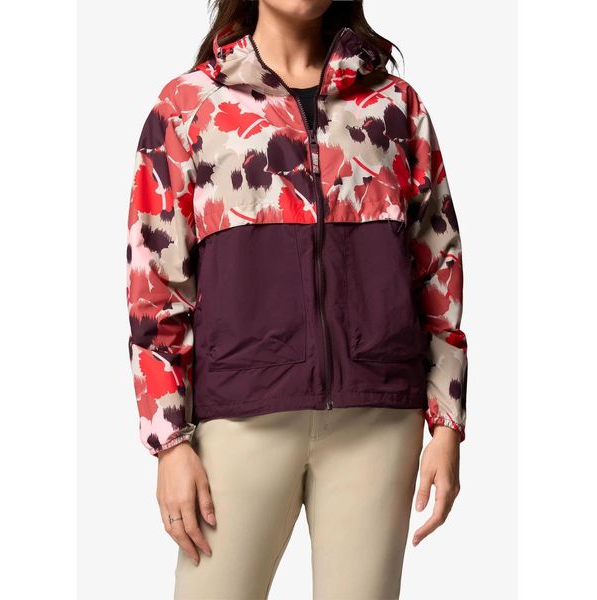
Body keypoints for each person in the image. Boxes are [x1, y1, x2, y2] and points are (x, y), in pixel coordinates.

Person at [125, 0, 467, 598]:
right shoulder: (188, 106)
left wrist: (447, 423)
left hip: (377, 419)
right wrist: (169, 444)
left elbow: (438, 265)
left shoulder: (394, 106)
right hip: (240, 418)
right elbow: (154, 285)